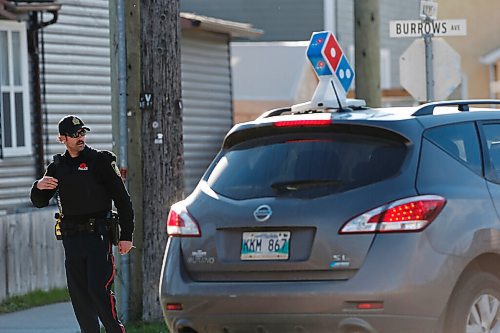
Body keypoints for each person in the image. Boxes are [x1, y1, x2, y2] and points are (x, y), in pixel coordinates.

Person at [30, 115, 134, 333]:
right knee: (80, 299)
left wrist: (126, 236)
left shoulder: (101, 161)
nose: (80, 138)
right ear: (62, 139)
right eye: (74, 135)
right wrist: (38, 186)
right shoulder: (58, 167)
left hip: (98, 237)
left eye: (82, 133)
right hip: (72, 240)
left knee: (98, 290)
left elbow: (123, 200)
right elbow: (39, 202)